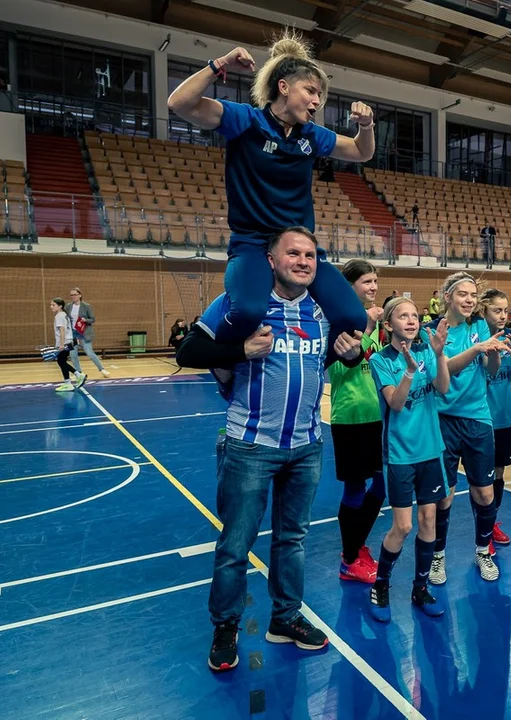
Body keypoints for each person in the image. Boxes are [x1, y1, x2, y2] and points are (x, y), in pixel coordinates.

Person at [176, 227, 364, 672]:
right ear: (271, 260)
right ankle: (226, 627)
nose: (303, 261)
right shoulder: (245, 306)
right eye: (292, 253)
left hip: (306, 446)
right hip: (250, 446)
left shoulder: (324, 311)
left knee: (292, 540)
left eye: (310, 255)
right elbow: (187, 349)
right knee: (236, 545)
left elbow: (333, 359)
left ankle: (285, 618)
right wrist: (240, 348)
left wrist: (352, 354)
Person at [167, 31, 372, 344]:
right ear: (284, 87)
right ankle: (221, 354)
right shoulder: (246, 121)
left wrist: (366, 126)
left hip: (301, 248)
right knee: (248, 311)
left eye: (320, 95)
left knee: (352, 319)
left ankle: (316, 361)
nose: (318, 101)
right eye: (311, 91)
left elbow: (361, 152)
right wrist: (219, 64)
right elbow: (179, 103)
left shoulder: (312, 135)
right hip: (253, 244)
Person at [368, 299, 450, 621]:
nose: (412, 320)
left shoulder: (428, 351)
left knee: (428, 521)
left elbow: (442, 387)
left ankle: (420, 587)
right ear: (388, 325)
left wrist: (440, 354)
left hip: (431, 451)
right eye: (404, 315)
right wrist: (410, 372)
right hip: (401, 454)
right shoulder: (380, 360)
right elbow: (397, 404)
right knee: (402, 526)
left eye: (415, 315)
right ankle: (382, 583)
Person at [428, 272, 511, 585]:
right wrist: (478, 350)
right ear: (448, 297)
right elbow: (445, 368)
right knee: (444, 498)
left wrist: (493, 354)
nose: (469, 300)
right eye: (462, 294)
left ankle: (482, 551)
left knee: (484, 492)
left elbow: (490, 371)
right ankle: (438, 557)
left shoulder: (479, 327)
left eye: (473, 296)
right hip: (443, 419)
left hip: (477, 418)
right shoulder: (432, 332)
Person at [329, 260, 386, 584]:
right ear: (350, 286)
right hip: (350, 417)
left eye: (375, 281)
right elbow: (340, 369)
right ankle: (349, 559)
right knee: (356, 486)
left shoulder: (374, 322)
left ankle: (356, 546)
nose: (373, 287)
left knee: (381, 485)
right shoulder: (340, 322)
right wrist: (364, 329)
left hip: (377, 415)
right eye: (366, 281)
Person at [476, 288, 511, 546]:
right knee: (482, 479)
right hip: (482, 420)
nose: (503, 316)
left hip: (505, 419)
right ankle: (483, 528)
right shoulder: (477, 340)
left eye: (505, 311)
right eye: (497, 310)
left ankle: (491, 522)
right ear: (483, 310)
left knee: (498, 473)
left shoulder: (510, 338)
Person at [67, 287, 109, 377]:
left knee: (89, 352)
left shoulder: (86, 306)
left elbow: (93, 319)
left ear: (80, 295)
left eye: (75, 294)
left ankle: (102, 369)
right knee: (73, 354)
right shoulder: (68, 306)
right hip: (73, 333)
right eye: (71, 295)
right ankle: (78, 372)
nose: (73, 296)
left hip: (84, 332)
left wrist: (85, 320)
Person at [49, 298, 85, 392]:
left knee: (61, 361)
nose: (51, 307)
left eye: (53, 305)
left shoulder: (59, 316)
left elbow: (62, 330)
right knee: (62, 361)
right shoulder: (64, 315)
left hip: (64, 343)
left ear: (60, 306)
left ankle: (71, 381)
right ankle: (74, 378)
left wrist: (61, 344)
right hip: (69, 342)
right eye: (51, 305)